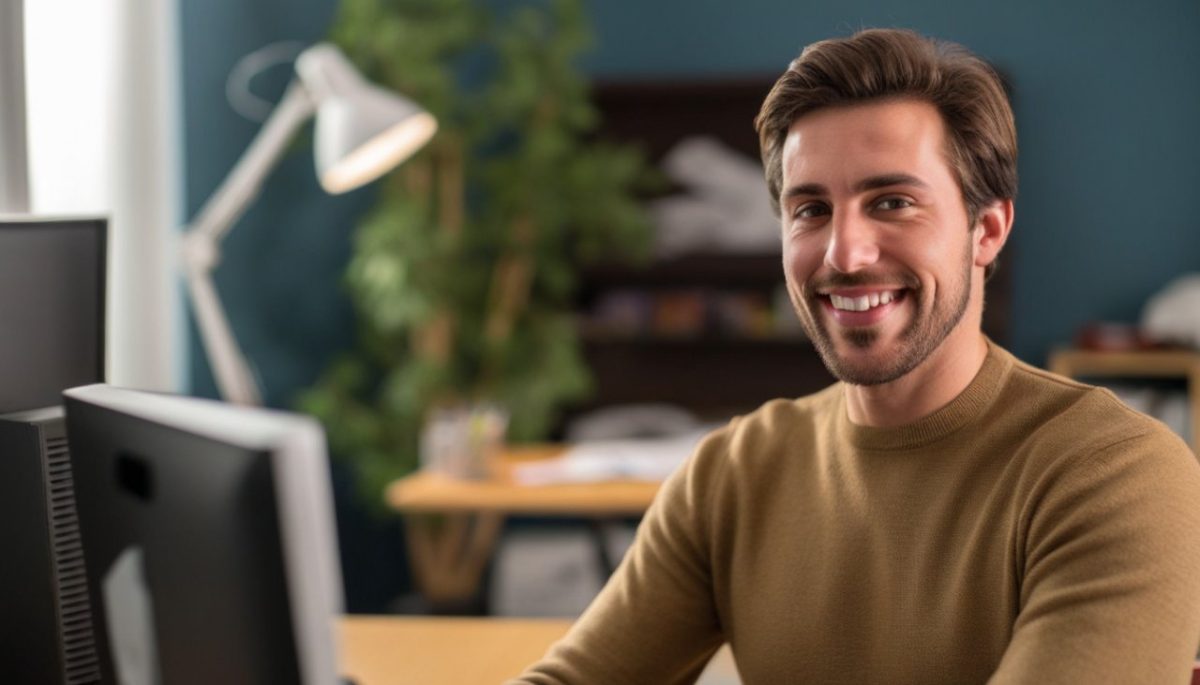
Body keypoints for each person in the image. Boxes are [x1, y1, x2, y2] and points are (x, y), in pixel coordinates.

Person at [511, 28, 1200, 684]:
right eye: (810, 209)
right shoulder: (734, 474)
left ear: (985, 229)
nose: (845, 253)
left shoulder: (1117, 476)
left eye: (892, 201)